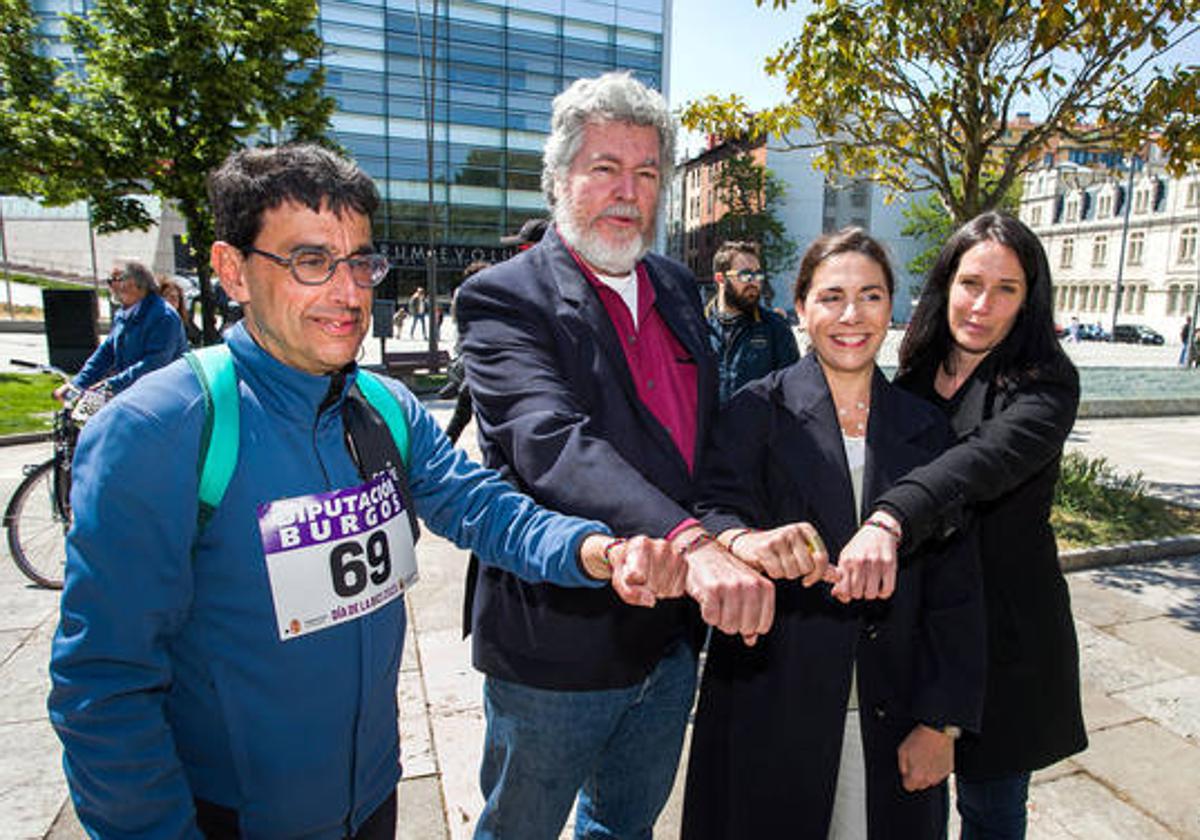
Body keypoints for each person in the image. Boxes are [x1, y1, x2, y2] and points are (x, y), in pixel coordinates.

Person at [47, 143, 685, 839]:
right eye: (311, 262)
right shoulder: (161, 429)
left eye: (359, 262)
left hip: (375, 797)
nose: (349, 294)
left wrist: (594, 549)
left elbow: (481, 507)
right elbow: (104, 689)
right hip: (230, 818)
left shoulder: (386, 406)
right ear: (232, 270)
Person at [455, 71, 775, 840]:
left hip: (667, 640)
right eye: (604, 168)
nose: (627, 192)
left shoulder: (671, 283)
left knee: (623, 829)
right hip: (554, 646)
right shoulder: (504, 298)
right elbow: (553, 444)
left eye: (646, 173)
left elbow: (700, 443)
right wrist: (694, 542)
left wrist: (735, 531)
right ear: (560, 179)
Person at [682, 228, 985, 839]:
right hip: (771, 705)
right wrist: (745, 542)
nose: (852, 316)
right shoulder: (752, 412)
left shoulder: (926, 428)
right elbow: (709, 512)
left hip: (890, 714)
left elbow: (958, 587)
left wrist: (942, 723)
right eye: (831, 297)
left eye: (871, 296)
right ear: (799, 307)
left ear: (891, 307)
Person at [837, 212, 1088, 839]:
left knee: (990, 812)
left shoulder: (1045, 386)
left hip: (1006, 643)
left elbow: (977, 465)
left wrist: (891, 516)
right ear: (945, 283)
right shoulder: (915, 376)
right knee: (902, 804)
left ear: (1030, 300)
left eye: (1006, 289)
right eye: (971, 282)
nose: (982, 305)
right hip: (921, 630)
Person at [53, 261, 188, 401]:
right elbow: (105, 354)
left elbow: (154, 365)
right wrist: (76, 385)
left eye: (116, 279)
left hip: (165, 399)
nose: (110, 285)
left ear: (136, 283)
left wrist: (109, 386)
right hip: (133, 396)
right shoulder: (123, 315)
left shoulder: (163, 316)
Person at [706, 239, 798, 403]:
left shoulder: (775, 328)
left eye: (758, 275)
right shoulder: (697, 328)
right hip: (706, 428)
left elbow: (792, 391)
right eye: (746, 275)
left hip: (759, 428)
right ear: (720, 278)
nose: (754, 282)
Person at [159, 276, 203, 346]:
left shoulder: (183, 324)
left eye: (175, 297)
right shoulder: (151, 323)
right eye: (166, 295)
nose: (172, 300)